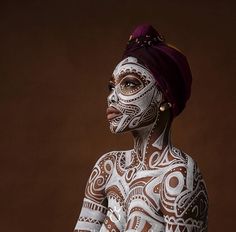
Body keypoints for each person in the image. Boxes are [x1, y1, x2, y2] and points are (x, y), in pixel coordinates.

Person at [74, 24, 208, 232]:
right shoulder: (107, 167)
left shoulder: (179, 175)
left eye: (129, 84)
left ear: (164, 95)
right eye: (111, 86)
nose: (112, 97)